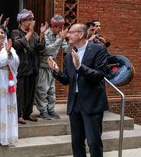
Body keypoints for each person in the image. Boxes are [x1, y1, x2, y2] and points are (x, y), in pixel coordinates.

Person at [47, 23, 109, 157]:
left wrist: (80, 67)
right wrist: (56, 70)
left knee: (93, 142)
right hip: (75, 104)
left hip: (92, 103)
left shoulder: (99, 50)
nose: (67, 35)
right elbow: (67, 80)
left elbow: (99, 75)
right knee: (76, 142)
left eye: (70, 32)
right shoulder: (70, 55)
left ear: (80, 34)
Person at [10, 9, 48, 124]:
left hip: (33, 67)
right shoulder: (15, 32)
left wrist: (41, 35)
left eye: (32, 19)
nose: (32, 21)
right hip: (22, 67)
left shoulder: (35, 34)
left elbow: (40, 49)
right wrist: (30, 33)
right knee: (21, 93)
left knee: (31, 93)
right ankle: (19, 115)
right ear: (22, 20)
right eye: (29, 19)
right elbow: (17, 46)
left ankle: (27, 113)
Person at [35, 14, 69, 120]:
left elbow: (65, 50)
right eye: (59, 27)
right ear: (53, 26)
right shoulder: (45, 34)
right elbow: (48, 50)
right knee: (42, 89)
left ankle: (51, 110)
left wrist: (72, 43)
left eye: (61, 27)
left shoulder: (60, 35)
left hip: (52, 66)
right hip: (43, 65)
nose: (60, 29)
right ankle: (43, 111)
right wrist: (61, 39)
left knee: (51, 90)